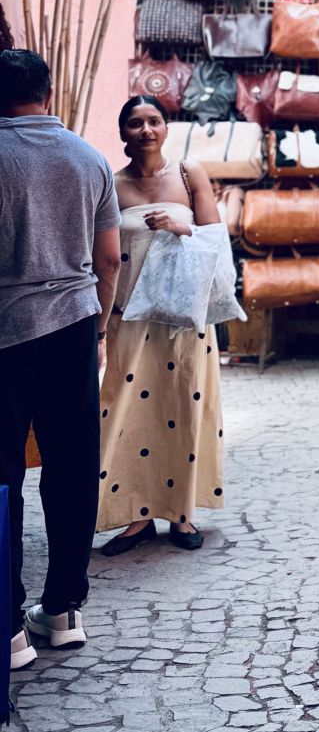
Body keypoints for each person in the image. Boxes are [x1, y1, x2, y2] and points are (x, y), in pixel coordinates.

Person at [0, 50, 121, 673]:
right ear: (48, 91)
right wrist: (97, 327)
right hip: (74, 326)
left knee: (1, 479)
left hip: (6, 334)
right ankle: (65, 608)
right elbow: (109, 260)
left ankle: (8, 626)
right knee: (72, 467)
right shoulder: (89, 157)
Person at [95, 96, 225, 558]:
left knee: (185, 408)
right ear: (124, 132)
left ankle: (183, 512)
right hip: (129, 318)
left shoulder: (190, 175)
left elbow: (216, 239)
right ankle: (137, 517)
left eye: (154, 121)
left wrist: (181, 227)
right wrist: (100, 323)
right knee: (125, 413)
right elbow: (102, 259)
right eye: (136, 122)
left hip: (184, 321)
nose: (146, 129)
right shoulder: (110, 184)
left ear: (166, 128)